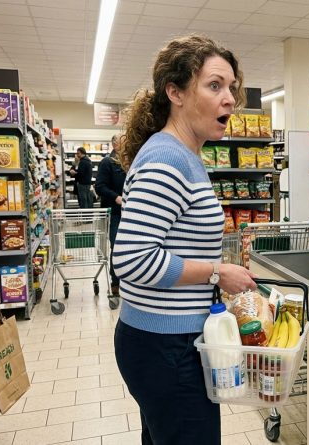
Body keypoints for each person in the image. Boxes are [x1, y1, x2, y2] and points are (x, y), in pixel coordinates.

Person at [112, 34, 257, 445]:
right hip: (165, 348)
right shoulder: (168, 157)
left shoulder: (184, 155)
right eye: (215, 85)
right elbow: (133, 259)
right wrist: (216, 273)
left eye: (231, 87)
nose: (229, 98)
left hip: (165, 342)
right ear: (174, 92)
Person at [95, 134, 127, 297]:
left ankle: (130, 282)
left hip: (131, 212)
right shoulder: (107, 162)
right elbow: (99, 187)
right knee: (117, 248)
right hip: (114, 213)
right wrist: (117, 198)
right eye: (124, 141)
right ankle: (116, 283)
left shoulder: (132, 161)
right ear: (115, 145)